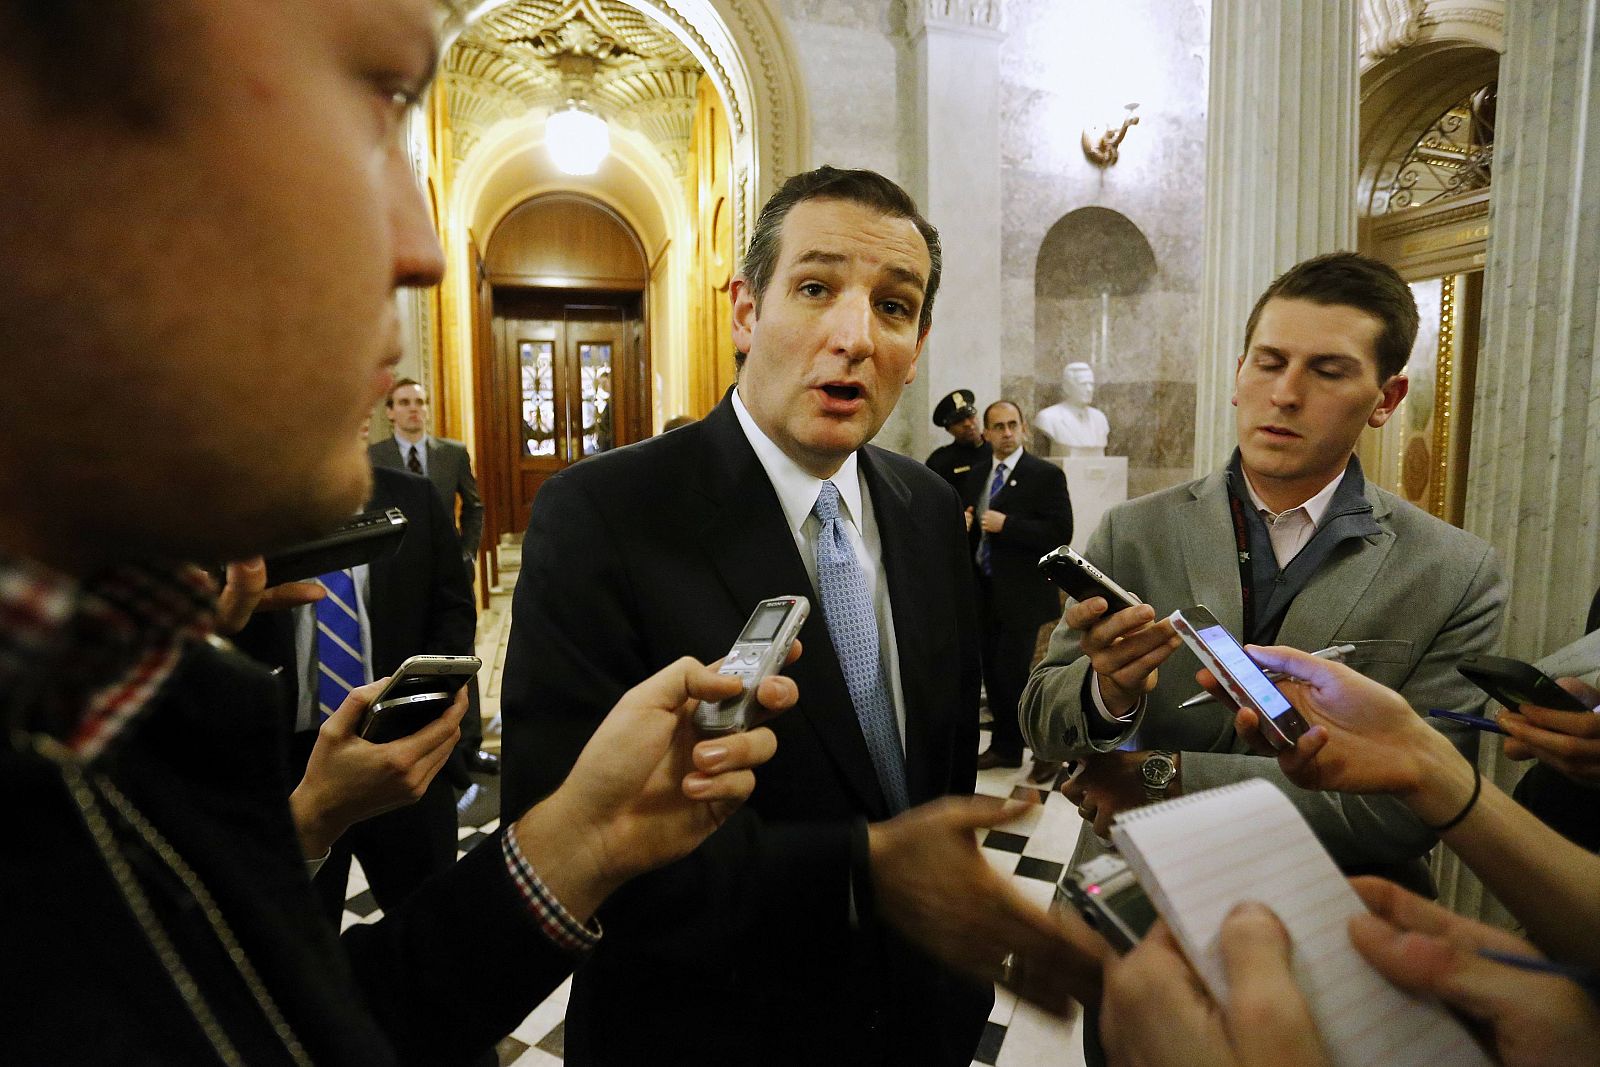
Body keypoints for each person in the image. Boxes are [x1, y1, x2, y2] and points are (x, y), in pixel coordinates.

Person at [0, 2, 792, 1062]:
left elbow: (285, 1029)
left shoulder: (90, 680)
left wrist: (584, 838)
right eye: (370, 103)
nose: (420, 250)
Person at [499, 165, 1100, 1065]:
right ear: (746, 310)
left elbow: (929, 778)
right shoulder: (604, 515)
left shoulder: (929, 509)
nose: (854, 336)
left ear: (919, 338)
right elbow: (563, 838)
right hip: (710, 1033)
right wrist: (864, 876)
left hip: (918, 1023)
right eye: (816, 288)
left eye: (893, 308)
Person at [1021, 252, 1505, 892]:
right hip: (1132, 902)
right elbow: (1041, 721)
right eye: (1269, 363)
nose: (1285, 393)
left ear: (1386, 398)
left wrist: (1169, 776)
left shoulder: (1454, 572)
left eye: (1327, 371)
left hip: (1337, 919)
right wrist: (1105, 693)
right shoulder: (1135, 530)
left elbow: (1409, 808)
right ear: (1238, 372)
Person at [232, 460, 474, 926]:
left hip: (397, 746)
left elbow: (453, 608)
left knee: (428, 926)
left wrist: (424, 694)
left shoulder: (412, 495)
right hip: (288, 764)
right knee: (302, 930)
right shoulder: (240, 505)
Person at [969, 401, 1073, 775]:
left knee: (1019, 676)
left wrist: (1007, 524)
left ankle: (1045, 753)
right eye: (998, 426)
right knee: (994, 676)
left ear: (1025, 428)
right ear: (986, 434)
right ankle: (1005, 748)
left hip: (1024, 596)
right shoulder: (978, 473)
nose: (1007, 432)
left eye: (1013, 424)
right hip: (984, 594)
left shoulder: (1043, 474)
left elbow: (1060, 533)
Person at [371, 378, 485, 563]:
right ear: (390, 412)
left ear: (427, 410)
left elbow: (474, 508)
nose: (413, 408)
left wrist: (467, 554)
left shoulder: (453, 454)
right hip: (394, 562)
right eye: (404, 403)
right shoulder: (374, 456)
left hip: (446, 559)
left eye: (420, 402)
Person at [925, 387, 991, 506]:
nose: (967, 424)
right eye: (959, 421)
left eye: (970, 416)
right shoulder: (940, 461)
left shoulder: (997, 450)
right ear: (949, 429)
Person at [1034, 362, 1110, 457]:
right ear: (1067, 388)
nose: (1089, 389)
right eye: (1083, 384)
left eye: (1091, 384)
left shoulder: (1100, 418)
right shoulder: (1048, 417)